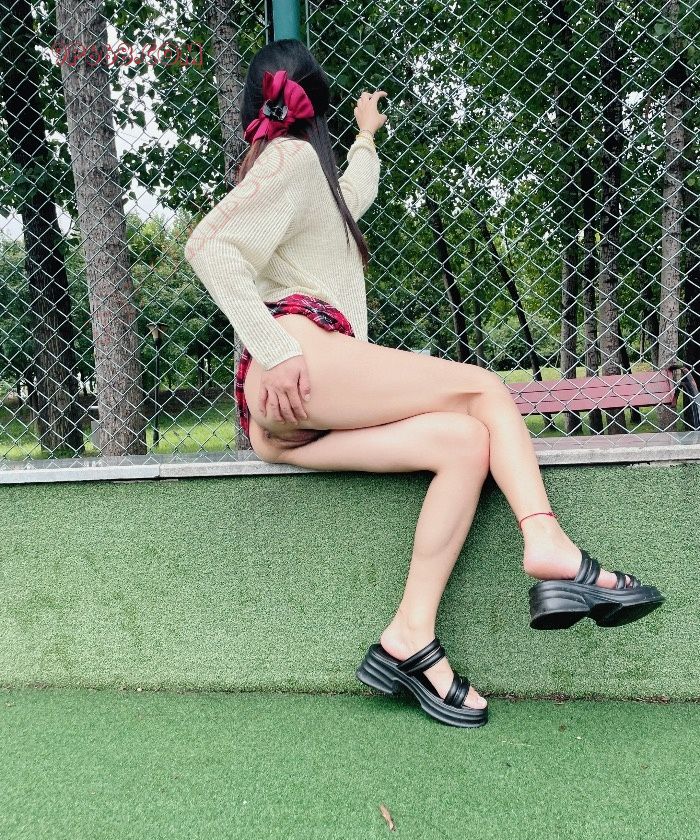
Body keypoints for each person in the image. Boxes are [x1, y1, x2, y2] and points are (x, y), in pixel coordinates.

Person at [185, 39, 664, 728]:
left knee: (465, 442)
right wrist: (275, 348)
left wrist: (366, 137)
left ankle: (409, 634)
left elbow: (355, 194)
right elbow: (207, 246)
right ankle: (548, 544)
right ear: (315, 109)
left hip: (290, 412)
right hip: (299, 359)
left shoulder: (301, 177)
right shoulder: (291, 158)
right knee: (484, 388)